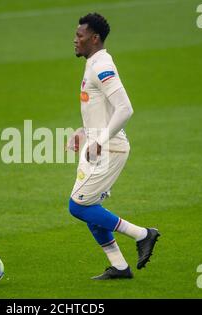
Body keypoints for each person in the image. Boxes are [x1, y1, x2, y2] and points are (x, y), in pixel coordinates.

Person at [68, 13, 160, 280]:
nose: (75, 40)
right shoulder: (94, 63)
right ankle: (119, 266)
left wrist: (99, 140)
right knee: (90, 207)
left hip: (110, 149)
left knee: (78, 206)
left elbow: (125, 109)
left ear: (94, 38)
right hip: (98, 147)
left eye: (80, 36)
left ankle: (143, 234)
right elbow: (103, 111)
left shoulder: (101, 66)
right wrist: (83, 132)